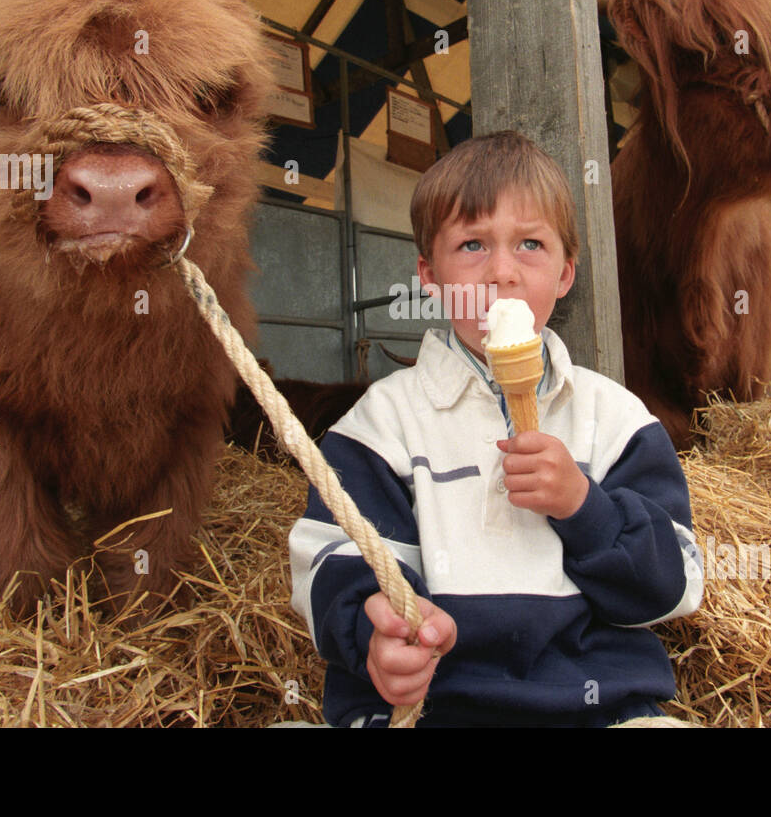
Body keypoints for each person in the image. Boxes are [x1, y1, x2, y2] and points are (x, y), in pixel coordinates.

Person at [288, 130, 703, 726]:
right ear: (429, 275)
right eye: (472, 245)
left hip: (598, 709)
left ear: (565, 274)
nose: (501, 272)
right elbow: (336, 559)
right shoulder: (380, 425)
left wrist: (586, 508)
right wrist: (373, 629)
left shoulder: (616, 419)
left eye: (531, 244)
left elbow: (675, 586)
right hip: (437, 709)